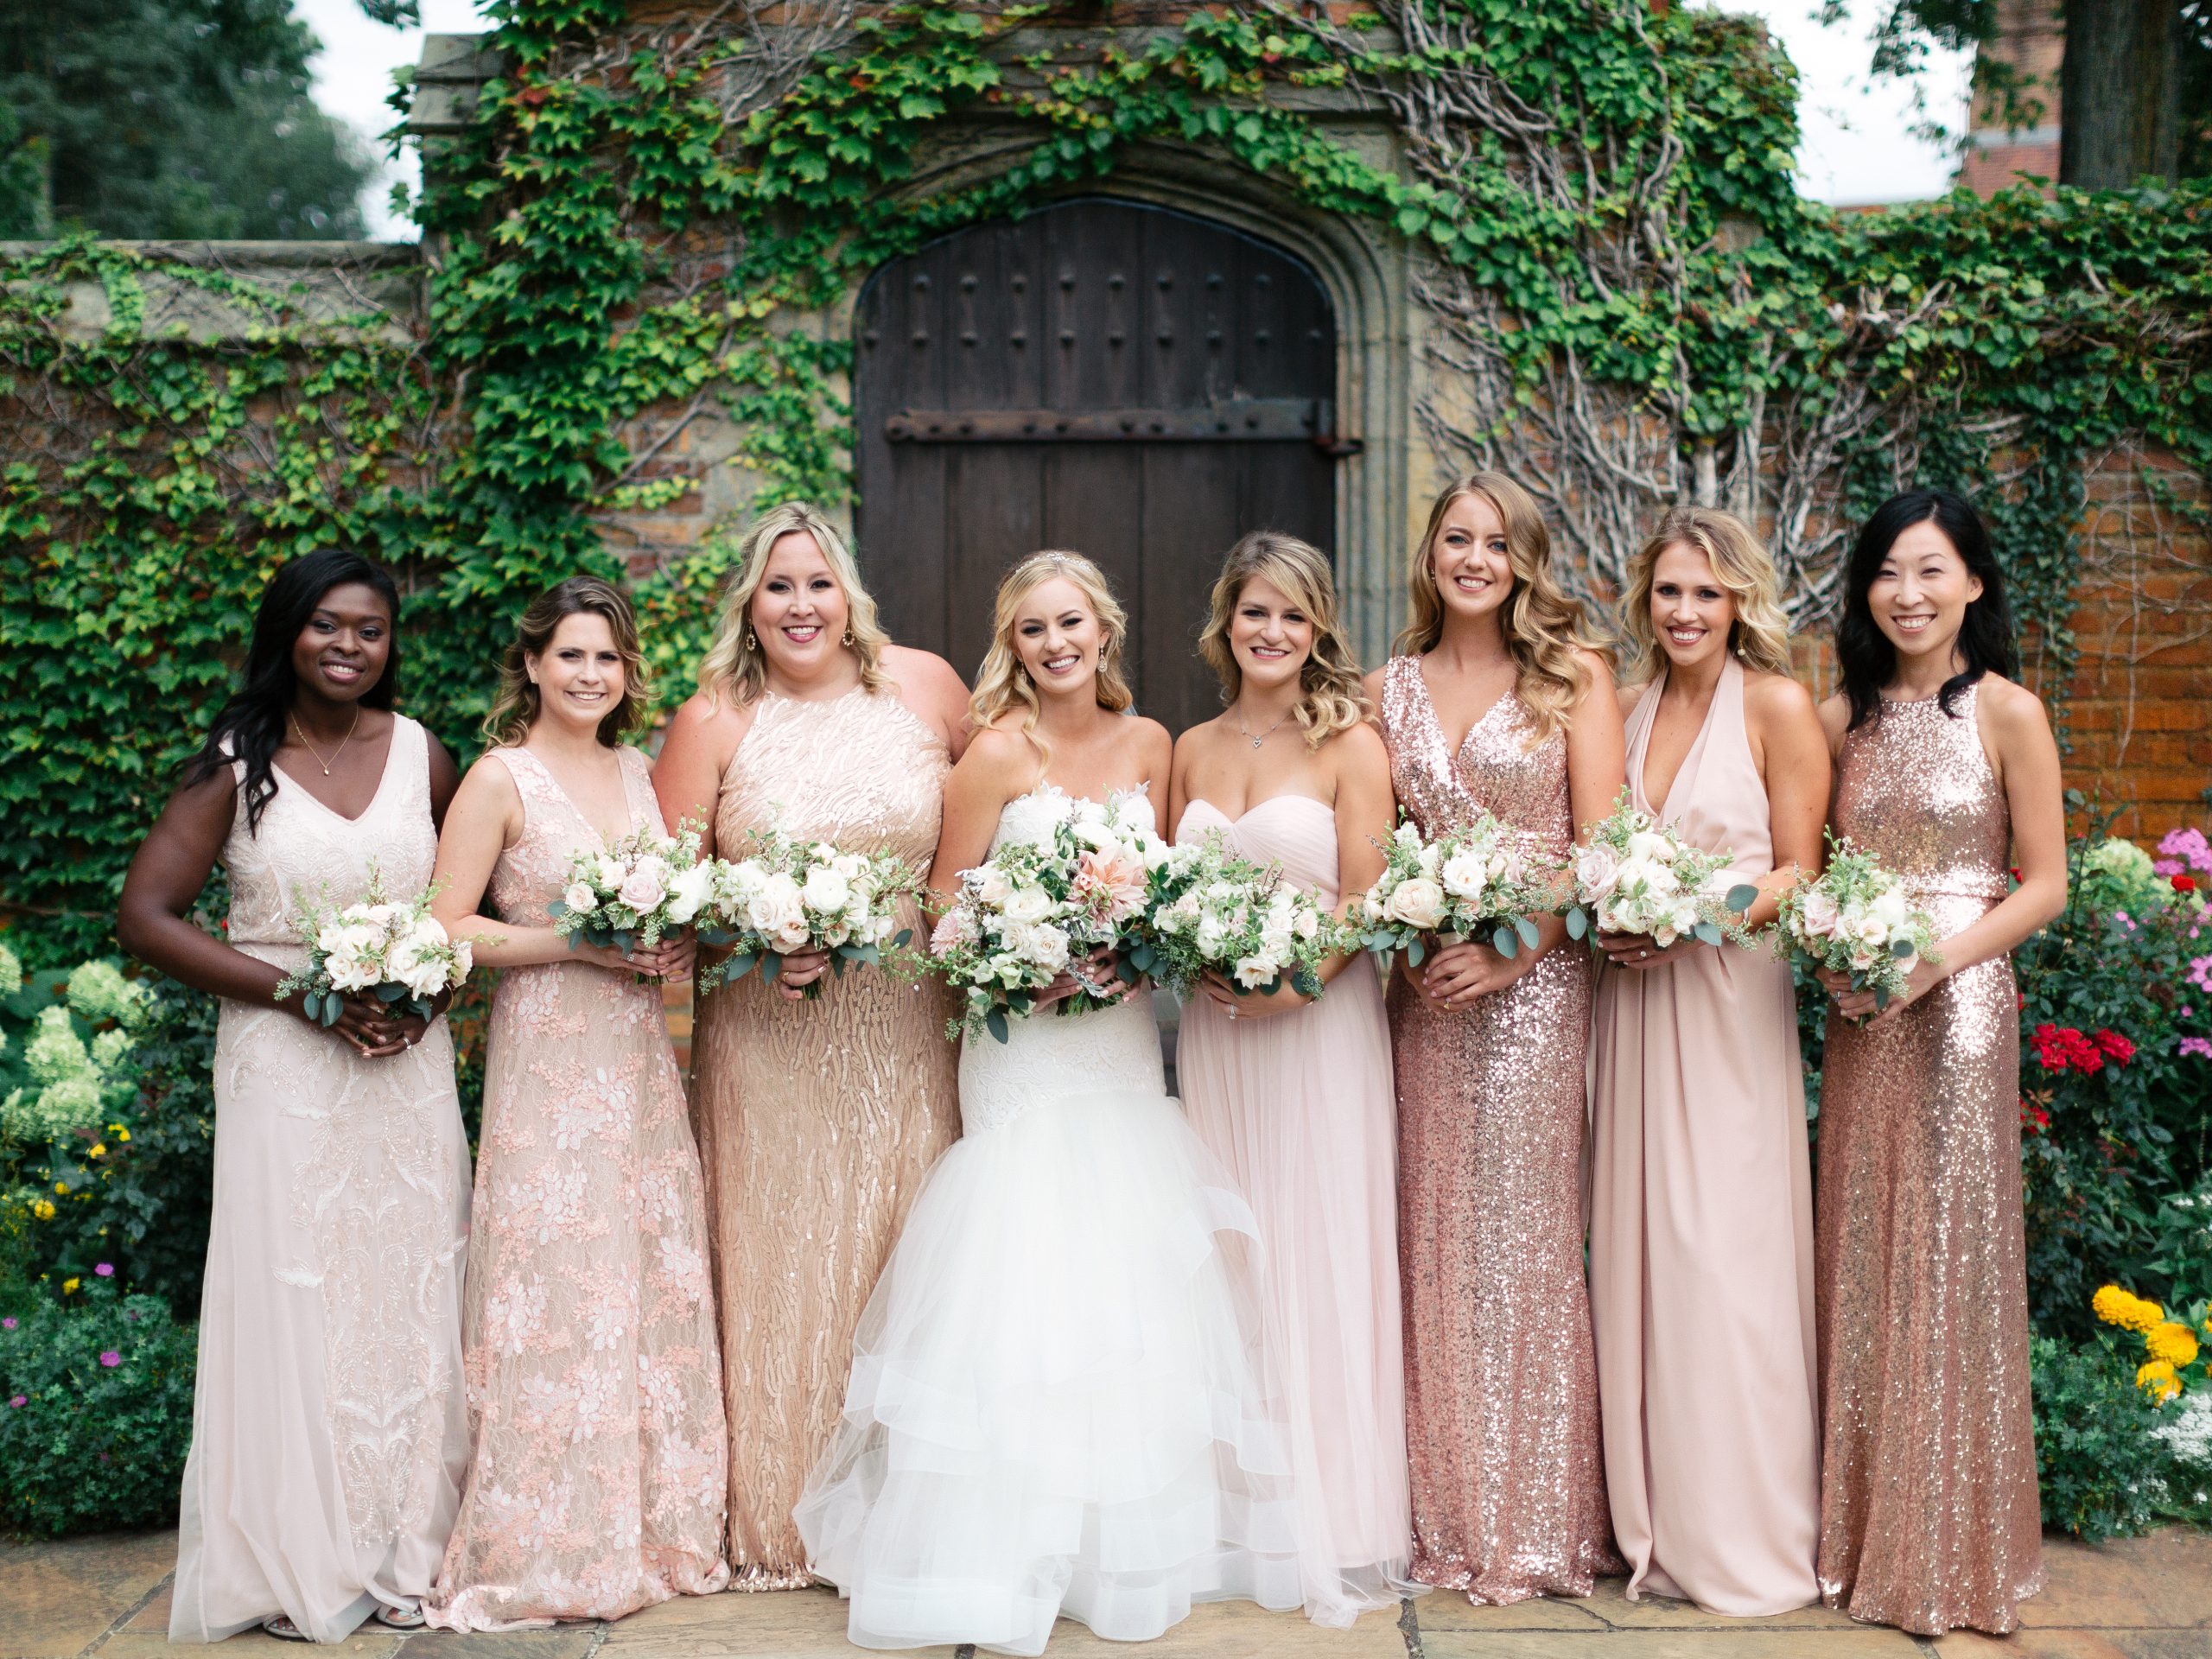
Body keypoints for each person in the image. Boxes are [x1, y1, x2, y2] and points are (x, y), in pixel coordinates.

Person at [795, 550, 1303, 1655]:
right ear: (1012, 647)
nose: (1055, 644)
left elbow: (1167, 893)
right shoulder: (991, 756)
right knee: (1025, 1261)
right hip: (1021, 1043)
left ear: (1103, 630)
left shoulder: (1151, 746)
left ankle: (1117, 1547)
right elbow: (942, 915)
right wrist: (1023, 963)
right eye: (1032, 631)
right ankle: (1002, 1540)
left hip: (1117, 1038)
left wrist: (1128, 959)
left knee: (1123, 1263)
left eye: (1069, 623)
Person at [118, 549, 470, 1643]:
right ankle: (296, 1559)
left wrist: (430, 992)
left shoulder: (425, 756)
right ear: (289, 633)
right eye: (328, 626)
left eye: (370, 629)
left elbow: (468, 908)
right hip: (283, 1065)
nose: (350, 647)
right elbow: (147, 917)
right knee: (297, 1294)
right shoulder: (236, 762)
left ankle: (409, 1549)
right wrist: (305, 997)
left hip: (406, 1068)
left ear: (390, 642)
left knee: (413, 1298)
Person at [651, 502, 969, 1587]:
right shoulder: (713, 719)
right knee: (781, 1258)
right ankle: (785, 1526)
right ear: (751, 599)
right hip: (766, 1040)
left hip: (903, 1034)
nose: (800, 606)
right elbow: (665, 894)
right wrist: (751, 935)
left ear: (850, 596)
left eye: (818, 584)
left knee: (906, 1251)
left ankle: (905, 1516)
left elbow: (995, 828)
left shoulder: (925, 687)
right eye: (779, 586)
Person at [423, 576, 729, 1629]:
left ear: (626, 673)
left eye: (607, 658)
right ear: (534, 665)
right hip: (549, 1058)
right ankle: (550, 1536)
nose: (590, 675)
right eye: (571, 657)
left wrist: (670, 942)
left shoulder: (643, 775)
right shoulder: (499, 779)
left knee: (639, 1266)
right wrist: (576, 943)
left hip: (638, 1061)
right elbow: (446, 925)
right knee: (556, 1273)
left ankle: (651, 1526)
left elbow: (669, 915)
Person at [1366, 471, 1625, 1605]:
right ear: (1430, 556)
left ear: (1524, 561)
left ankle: (1535, 1522)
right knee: (1434, 1235)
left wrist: (1519, 948)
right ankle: (1446, 1518)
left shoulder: (1575, 677)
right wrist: (1411, 928)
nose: (1474, 557)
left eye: (1496, 542)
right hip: (1426, 997)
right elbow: (1373, 845)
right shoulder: (1390, 688)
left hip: (1536, 987)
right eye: (1456, 539)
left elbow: (1606, 848)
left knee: (1522, 1239)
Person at [1813, 488, 2064, 1637]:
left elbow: (2047, 884)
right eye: (1887, 573)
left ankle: (1951, 1552)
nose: (1907, 595)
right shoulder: (1840, 719)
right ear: (1866, 590)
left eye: (1931, 571)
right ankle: (1864, 1538)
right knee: (1865, 1250)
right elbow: (1807, 867)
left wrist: (1936, 963)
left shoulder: (2010, 711)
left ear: (1972, 583)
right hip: (1864, 1005)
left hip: (1959, 1005)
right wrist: (1833, 953)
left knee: (1950, 1255)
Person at [1166, 531, 1411, 1627]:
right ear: (1225, 621)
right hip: (1218, 1037)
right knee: (1230, 1255)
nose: (1271, 632)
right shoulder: (1190, 746)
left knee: (1314, 1246)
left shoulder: (1352, 742)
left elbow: (1370, 897)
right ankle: (1239, 1512)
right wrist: (1204, 963)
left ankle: (1338, 1518)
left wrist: (1294, 979)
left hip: (1316, 1027)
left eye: (1293, 616)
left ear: (1318, 631)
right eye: (1253, 611)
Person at [1586, 507, 1828, 1615]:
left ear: (1740, 603)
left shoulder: (1774, 706)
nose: (1685, 613)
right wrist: (1620, 915)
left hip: (1728, 1003)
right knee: (1643, 1258)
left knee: (1722, 1260)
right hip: (1634, 1004)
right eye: (1669, 592)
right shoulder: (1626, 711)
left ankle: (1742, 1527)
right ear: (1646, 600)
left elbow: (1797, 871)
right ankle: (1658, 1523)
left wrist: (1698, 911)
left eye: (1707, 594)